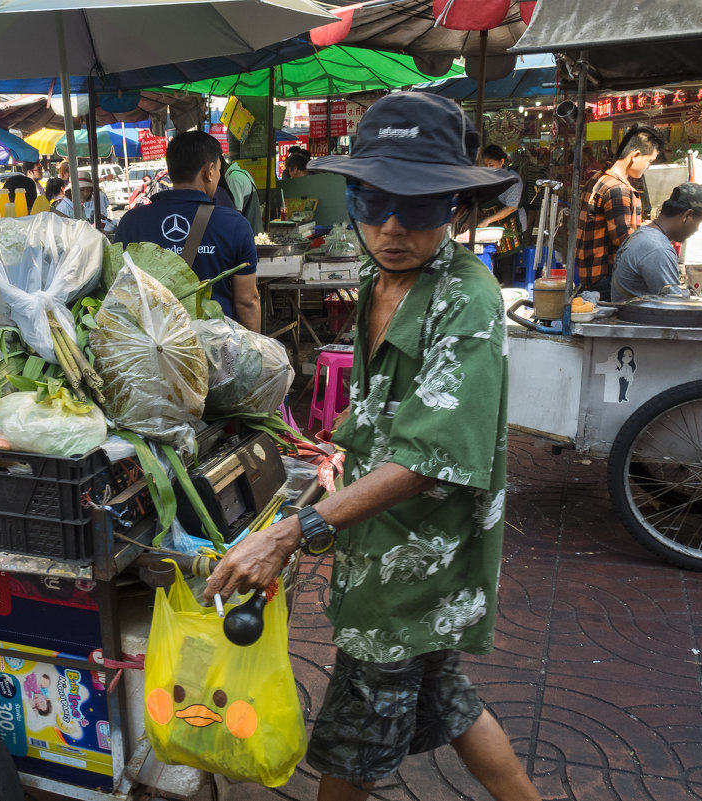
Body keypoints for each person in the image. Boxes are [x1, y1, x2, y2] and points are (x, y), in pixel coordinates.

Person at [203, 93, 540, 801]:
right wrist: (329, 469)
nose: (390, 227)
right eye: (371, 202)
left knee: (350, 746)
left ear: (453, 204)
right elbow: (385, 419)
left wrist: (292, 533)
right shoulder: (375, 275)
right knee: (448, 699)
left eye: (416, 208)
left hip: (415, 563)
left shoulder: (465, 299)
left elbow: (430, 457)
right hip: (370, 540)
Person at [116, 131, 260, 332]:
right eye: (218, 170)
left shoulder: (131, 223)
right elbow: (247, 301)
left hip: (151, 345)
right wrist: (253, 353)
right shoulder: (234, 225)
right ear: (209, 171)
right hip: (215, 347)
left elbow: (121, 291)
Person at [575, 123, 665, 299]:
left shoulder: (598, 178)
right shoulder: (617, 189)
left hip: (591, 273)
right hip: (606, 277)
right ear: (635, 155)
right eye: (649, 161)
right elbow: (623, 238)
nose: (648, 166)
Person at [611, 182, 702, 301]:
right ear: (687, 215)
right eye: (699, 222)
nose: (697, 229)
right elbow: (674, 303)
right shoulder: (657, 248)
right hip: (641, 318)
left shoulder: (644, 234)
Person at [477, 144, 527, 273]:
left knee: (506, 268)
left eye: (491, 165)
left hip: (512, 227)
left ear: (502, 161)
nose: (488, 168)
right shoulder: (486, 178)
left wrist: (487, 221)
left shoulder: (513, 180)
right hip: (493, 225)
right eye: (486, 165)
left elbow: (511, 207)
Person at [221, 156, 263, 234]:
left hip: (248, 233)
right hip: (255, 230)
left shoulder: (233, 178)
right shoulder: (243, 172)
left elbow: (237, 213)